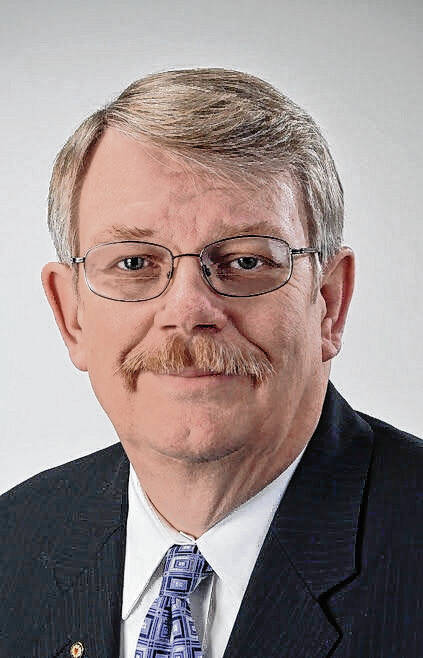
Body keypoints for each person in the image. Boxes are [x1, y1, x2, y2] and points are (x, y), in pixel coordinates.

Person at [1, 68, 422, 658]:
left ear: (329, 303)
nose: (188, 311)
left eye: (246, 261)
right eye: (134, 263)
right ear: (70, 314)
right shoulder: (13, 545)